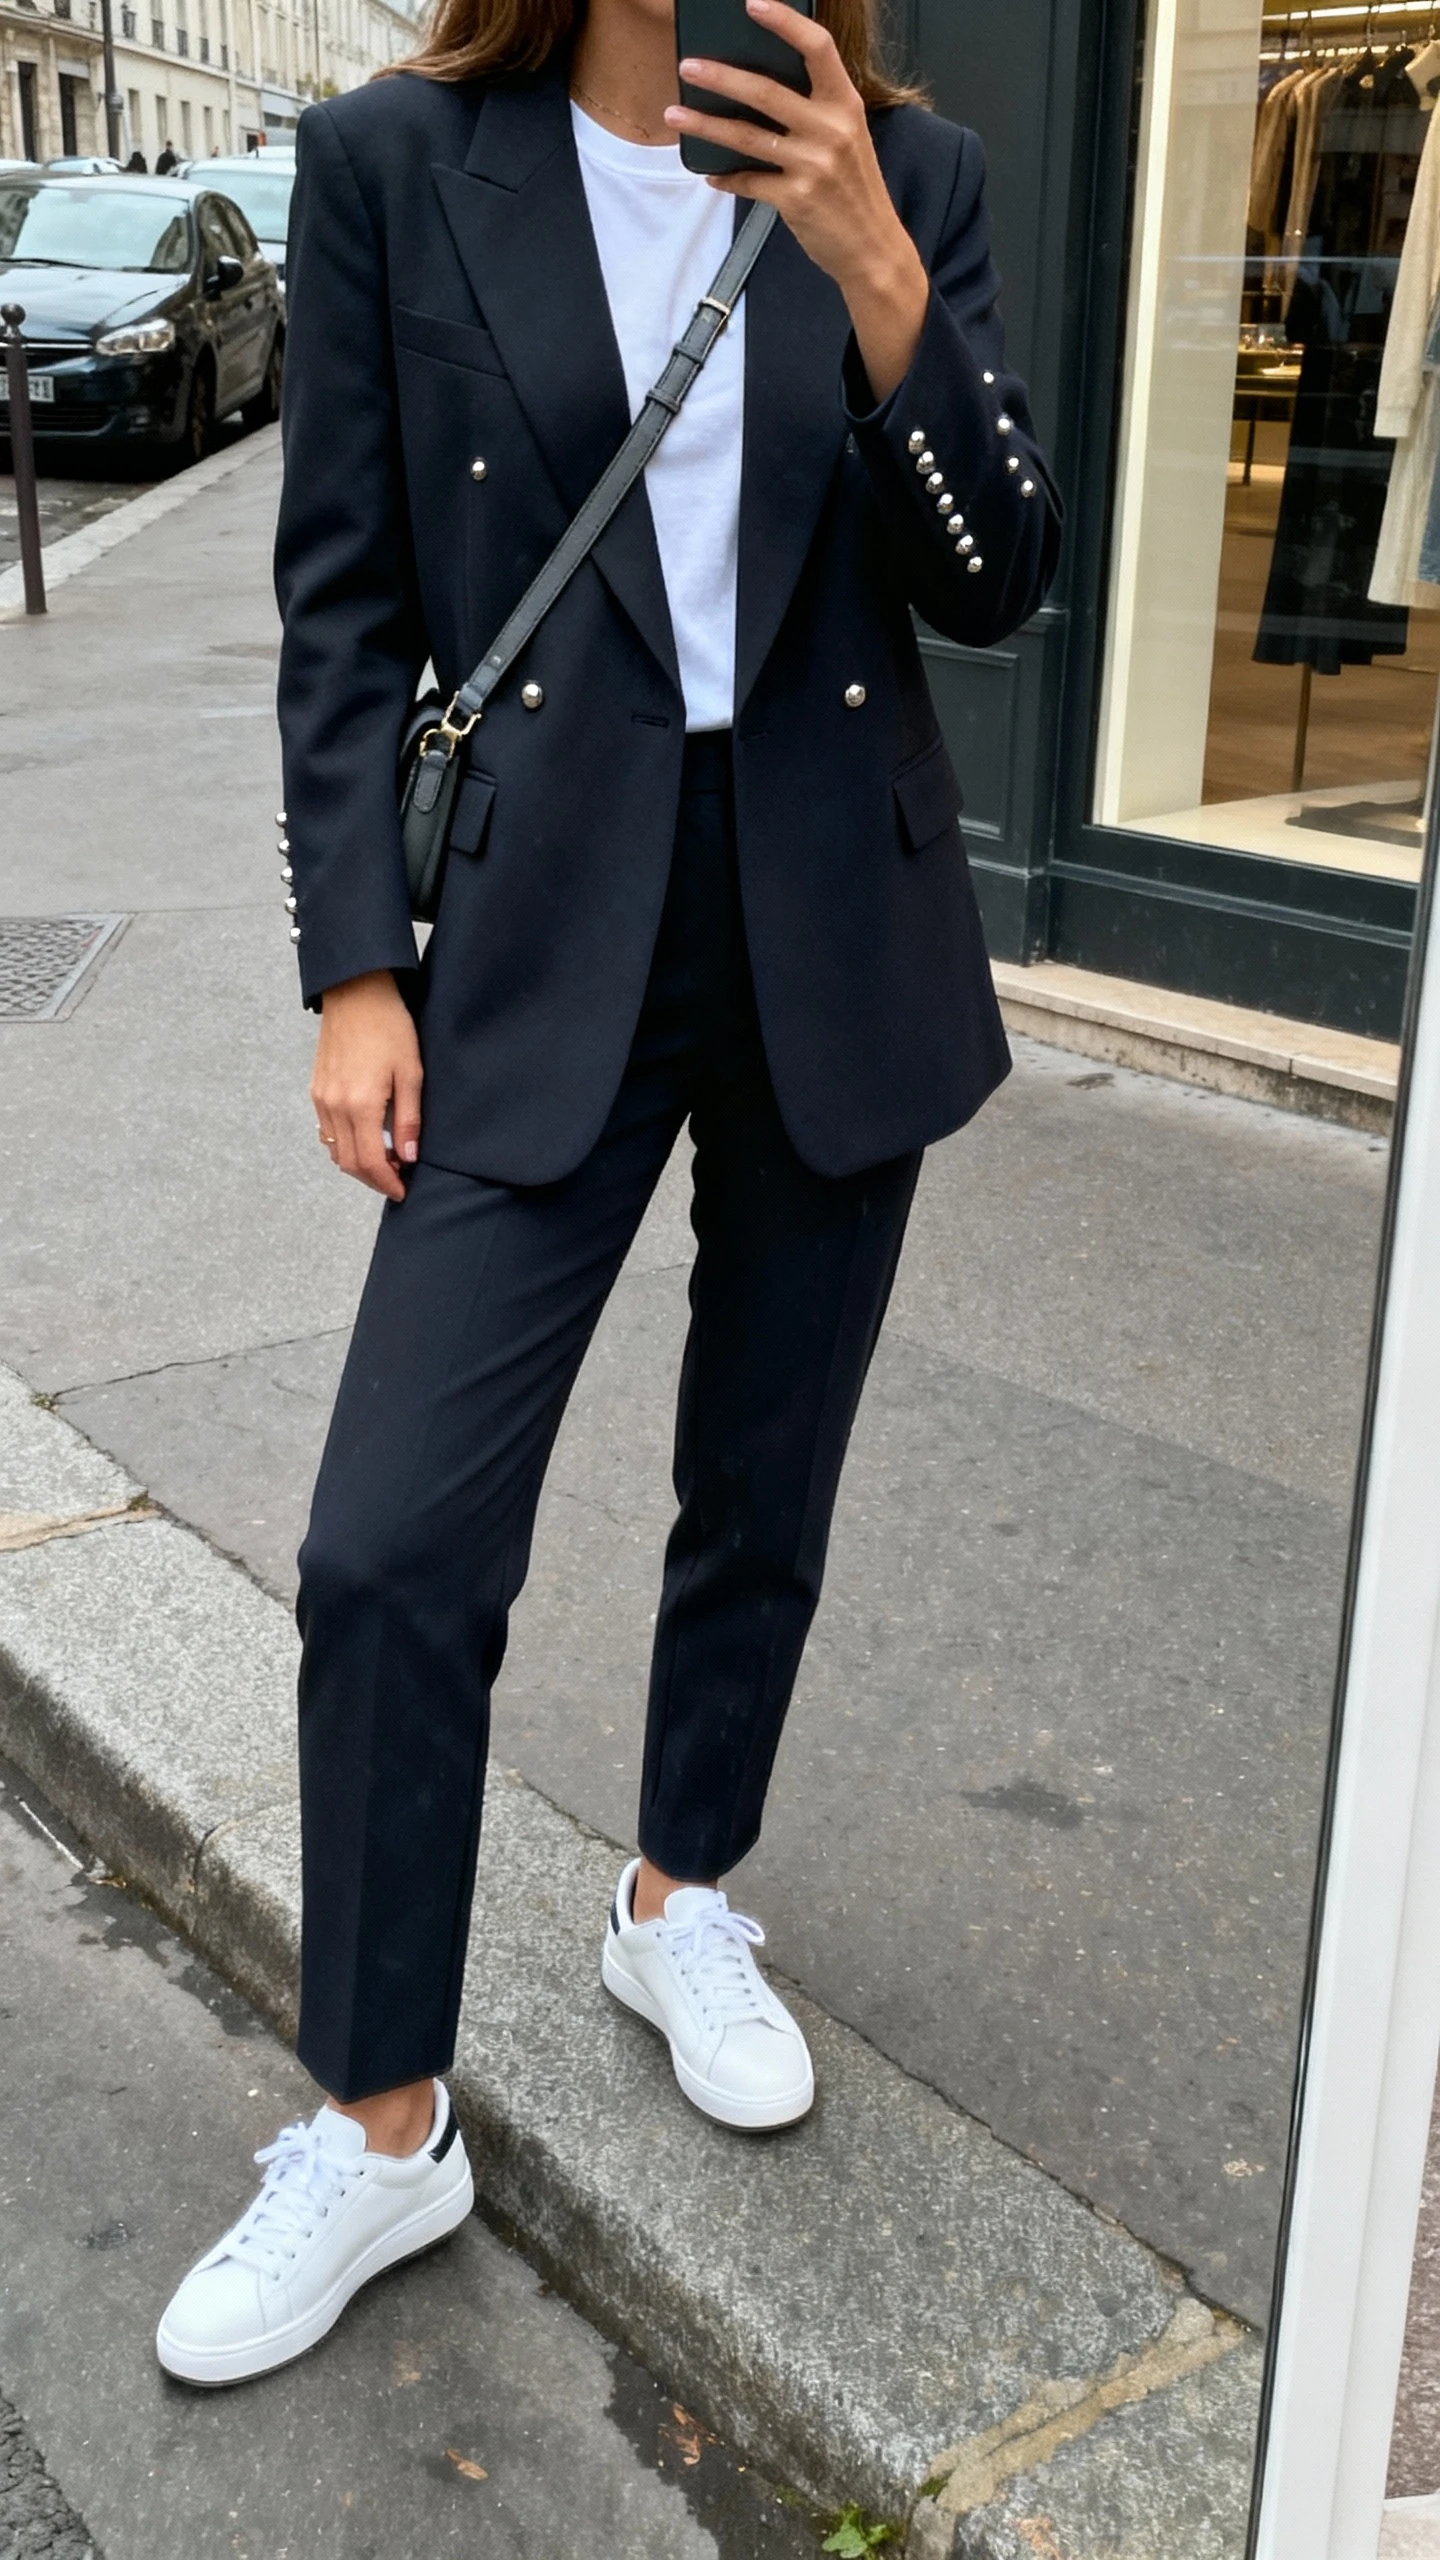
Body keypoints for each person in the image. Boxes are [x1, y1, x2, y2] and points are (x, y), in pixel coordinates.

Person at [155, 0, 1061, 2387]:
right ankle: (379, 2120)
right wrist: (356, 965)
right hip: (535, 947)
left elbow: (995, 577)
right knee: (388, 1540)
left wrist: (870, 254)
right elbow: (342, 604)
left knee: (761, 1478)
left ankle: (681, 1890)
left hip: (828, 931)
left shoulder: (911, 170)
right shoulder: (391, 163)